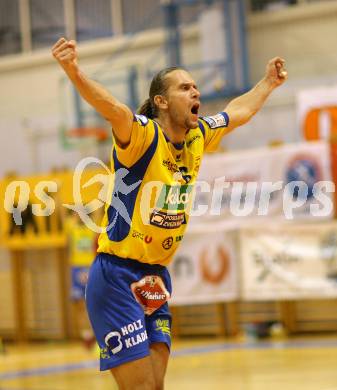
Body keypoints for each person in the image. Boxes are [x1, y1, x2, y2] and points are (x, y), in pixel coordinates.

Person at [52, 37, 287, 389]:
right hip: (116, 274)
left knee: (155, 386)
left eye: (196, 87)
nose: (195, 93)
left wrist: (267, 83)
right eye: (184, 88)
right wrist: (74, 71)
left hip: (156, 276)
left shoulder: (197, 136)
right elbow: (113, 108)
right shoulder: (144, 136)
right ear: (161, 101)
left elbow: (238, 112)